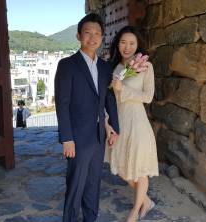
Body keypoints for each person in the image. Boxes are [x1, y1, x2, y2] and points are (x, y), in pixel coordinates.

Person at [54, 13, 119, 222]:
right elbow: (62, 104)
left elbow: (109, 100)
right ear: (79, 36)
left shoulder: (105, 67)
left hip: (99, 137)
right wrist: (67, 138)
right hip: (78, 138)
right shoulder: (67, 65)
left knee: (93, 184)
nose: (92, 38)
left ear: (102, 37)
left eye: (97, 34)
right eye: (87, 33)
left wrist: (114, 127)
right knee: (75, 186)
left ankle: (90, 219)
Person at [105, 26, 159, 222]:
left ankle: (135, 212)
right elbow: (109, 98)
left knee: (140, 170)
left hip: (137, 123)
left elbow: (148, 97)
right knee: (120, 166)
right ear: (117, 44)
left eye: (132, 43)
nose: (127, 47)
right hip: (119, 122)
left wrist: (124, 90)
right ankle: (146, 200)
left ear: (138, 45)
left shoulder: (146, 66)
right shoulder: (115, 68)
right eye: (123, 42)